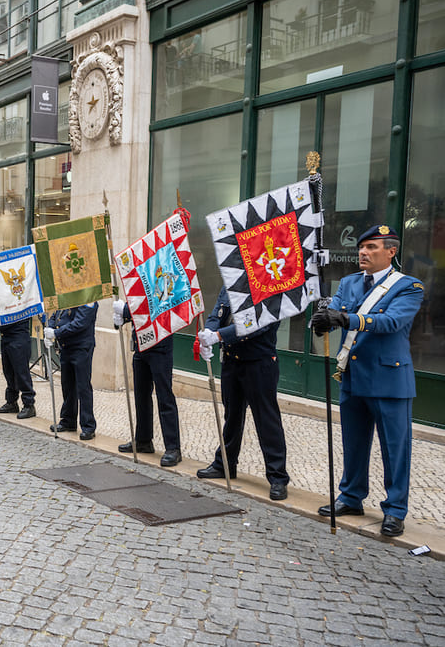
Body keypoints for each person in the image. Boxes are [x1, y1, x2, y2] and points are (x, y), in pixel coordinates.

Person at [310, 225, 424, 537]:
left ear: (391, 251)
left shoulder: (409, 287)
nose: (363, 252)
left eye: (372, 247)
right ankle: (350, 496)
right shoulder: (348, 283)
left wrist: (346, 319)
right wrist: (321, 319)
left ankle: (395, 509)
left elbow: (391, 322)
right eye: (362, 247)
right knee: (354, 443)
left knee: (395, 449)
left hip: (389, 378)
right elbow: (332, 315)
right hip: (354, 376)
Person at [196, 287, 289, 501]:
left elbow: (258, 323)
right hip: (232, 359)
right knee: (232, 415)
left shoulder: (270, 283)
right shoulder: (232, 278)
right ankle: (225, 464)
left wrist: (219, 336)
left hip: (259, 361)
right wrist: (208, 332)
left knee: (266, 420)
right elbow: (218, 313)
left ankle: (278, 477)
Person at [112, 300, 183, 467]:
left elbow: (154, 303)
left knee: (164, 397)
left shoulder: (159, 276)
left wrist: (127, 311)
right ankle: (143, 440)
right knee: (141, 395)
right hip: (140, 345)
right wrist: (121, 319)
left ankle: (173, 448)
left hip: (160, 345)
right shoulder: (138, 278)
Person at [45, 303, 99, 441]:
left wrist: (56, 332)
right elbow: (57, 314)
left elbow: (80, 323)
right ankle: (68, 420)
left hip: (81, 346)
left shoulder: (88, 297)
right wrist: (49, 327)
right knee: (67, 385)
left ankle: (88, 426)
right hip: (66, 346)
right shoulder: (67, 294)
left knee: (83, 387)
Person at [0, 318, 36, 419]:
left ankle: (29, 405)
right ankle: (11, 402)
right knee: (8, 372)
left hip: (18, 337)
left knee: (21, 373)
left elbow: (11, 317)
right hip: (6, 336)